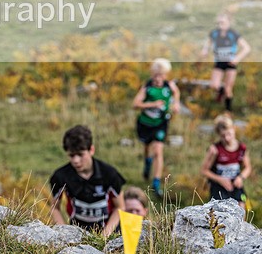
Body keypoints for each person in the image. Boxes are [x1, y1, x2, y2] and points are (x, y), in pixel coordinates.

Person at [49, 125, 126, 236]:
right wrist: (64, 232)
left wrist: (105, 236)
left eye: (80, 154)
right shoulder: (60, 176)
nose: (75, 160)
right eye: (71, 155)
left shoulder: (110, 174)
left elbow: (120, 206)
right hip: (77, 233)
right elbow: (54, 208)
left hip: (109, 232)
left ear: (91, 150)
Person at [133, 58, 181, 197]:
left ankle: (156, 184)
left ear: (166, 75)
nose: (158, 78)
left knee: (158, 151)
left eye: (162, 75)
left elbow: (176, 93)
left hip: (161, 123)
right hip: (145, 123)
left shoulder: (169, 86)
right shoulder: (147, 87)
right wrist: (151, 104)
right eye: (156, 75)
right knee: (147, 148)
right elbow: (135, 104)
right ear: (152, 75)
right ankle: (147, 163)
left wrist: (176, 104)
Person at [200, 13, 251, 112]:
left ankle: (228, 111)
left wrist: (237, 58)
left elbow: (246, 48)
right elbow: (208, 42)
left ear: (229, 22)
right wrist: (205, 50)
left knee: (228, 89)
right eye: (218, 23)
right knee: (214, 85)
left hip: (230, 63)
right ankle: (221, 91)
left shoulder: (233, 34)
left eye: (222, 22)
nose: (220, 25)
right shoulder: (214, 33)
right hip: (219, 62)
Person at [200, 114, 252, 210]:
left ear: (233, 129)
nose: (227, 138)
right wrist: (220, 180)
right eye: (223, 136)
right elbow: (204, 170)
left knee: (242, 207)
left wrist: (241, 177)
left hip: (236, 185)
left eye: (229, 134)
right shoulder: (215, 149)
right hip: (219, 187)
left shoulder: (242, 148)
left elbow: (248, 168)